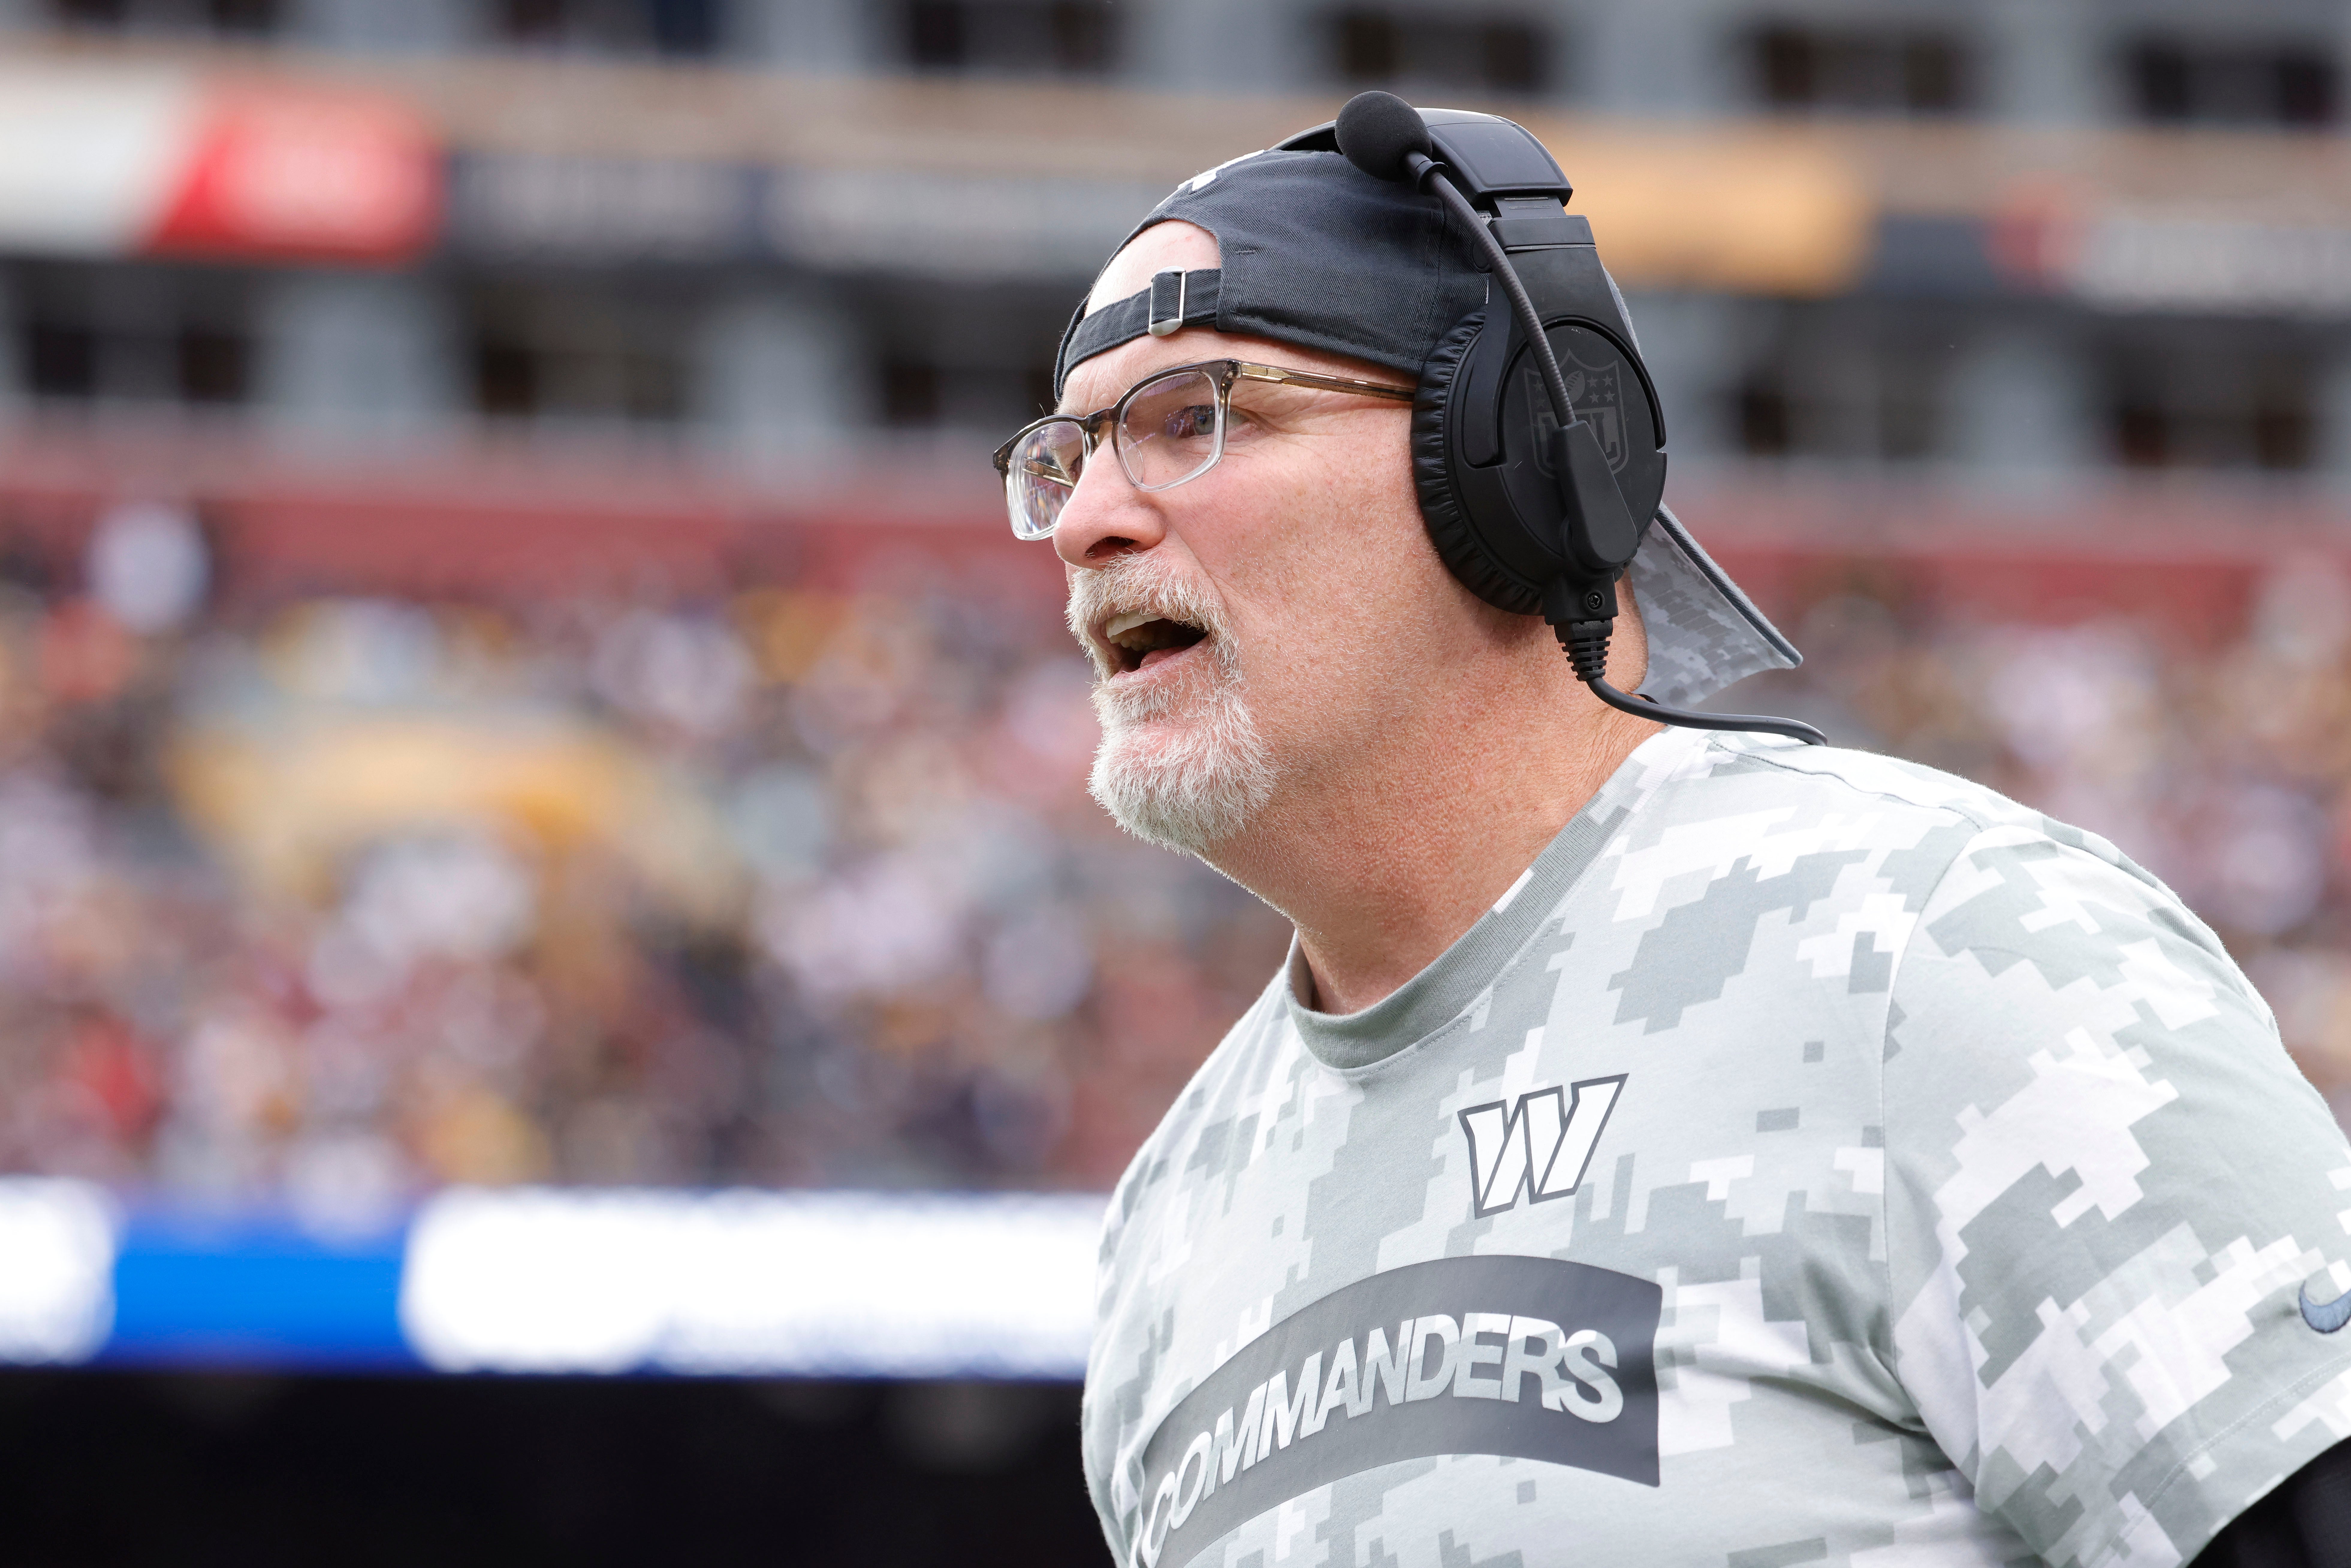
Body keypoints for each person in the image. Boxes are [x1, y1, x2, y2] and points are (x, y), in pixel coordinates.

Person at [999, 104, 2351, 1568]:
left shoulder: (1936, 955)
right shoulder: (1172, 1220)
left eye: (1198, 419)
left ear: (1516, 460)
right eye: (1066, 460)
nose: (1087, 526)